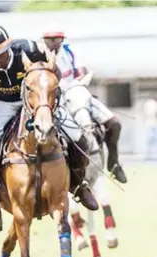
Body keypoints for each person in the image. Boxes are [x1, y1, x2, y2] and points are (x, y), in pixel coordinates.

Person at [0, 25, 99, 237]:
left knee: (78, 137)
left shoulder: (30, 48)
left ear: (9, 46)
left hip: (36, 99)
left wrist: (48, 90)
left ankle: (79, 185)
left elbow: (54, 72)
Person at [41, 28, 127, 183]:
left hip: (77, 91)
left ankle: (114, 163)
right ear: (44, 40)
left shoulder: (70, 52)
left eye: (57, 39)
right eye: (50, 39)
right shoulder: (40, 56)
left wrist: (76, 82)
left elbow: (81, 71)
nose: (53, 42)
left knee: (114, 124)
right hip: (57, 99)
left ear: (62, 40)